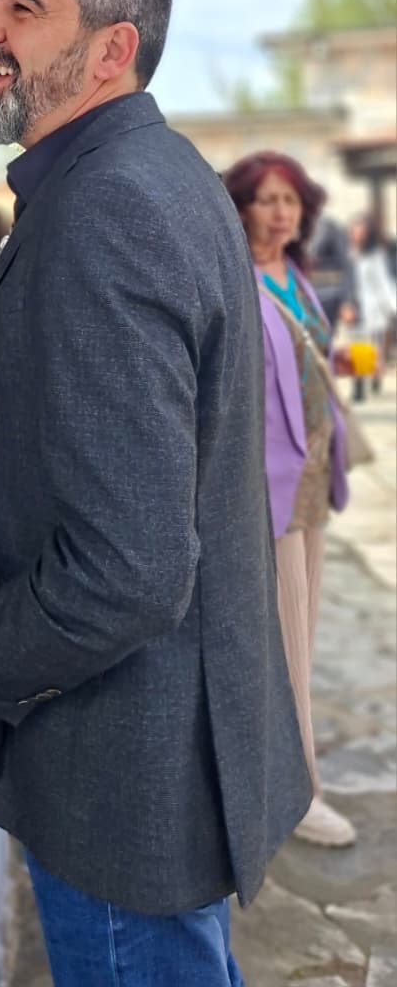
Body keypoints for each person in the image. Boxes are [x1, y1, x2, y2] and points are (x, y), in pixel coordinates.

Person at [0, 0, 311, 986]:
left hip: (120, 772)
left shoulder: (108, 208)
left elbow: (128, 572)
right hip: (149, 752)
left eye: (21, 7)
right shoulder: (147, 174)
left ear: (109, 49)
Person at [223, 152, 356, 848]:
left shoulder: (293, 276)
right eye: (267, 199)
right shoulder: (233, 280)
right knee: (284, 648)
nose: (282, 212)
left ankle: (280, 780)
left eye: (291, 200)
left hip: (311, 482)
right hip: (265, 490)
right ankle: (298, 796)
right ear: (241, 206)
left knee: (299, 638)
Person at [344, 213, 397, 400]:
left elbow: (383, 284)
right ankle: (359, 384)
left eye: (361, 230)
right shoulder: (347, 255)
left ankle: (367, 380)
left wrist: (392, 308)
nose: (357, 233)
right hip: (352, 307)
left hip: (371, 309)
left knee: (366, 347)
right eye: (355, 229)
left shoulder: (375, 257)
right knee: (355, 347)